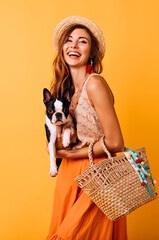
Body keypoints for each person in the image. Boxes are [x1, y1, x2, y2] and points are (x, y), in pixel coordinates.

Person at [46, 16, 128, 240]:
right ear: (63, 48)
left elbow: (115, 143)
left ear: (91, 52)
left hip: (97, 175)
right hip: (68, 176)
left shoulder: (95, 84)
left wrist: (70, 152)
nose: (73, 45)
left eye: (82, 41)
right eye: (69, 40)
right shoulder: (66, 90)